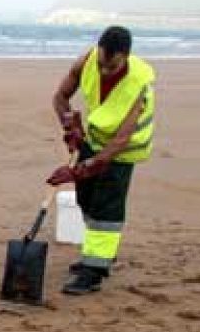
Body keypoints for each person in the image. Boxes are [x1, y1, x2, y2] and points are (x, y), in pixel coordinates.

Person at [48, 26, 156, 295]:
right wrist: (69, 124)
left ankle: (94, 270)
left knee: (105, 208)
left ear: (126, 56)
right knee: (85, 199)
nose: (104, 71)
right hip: (94, 139)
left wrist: (81, 169)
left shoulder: (138, 84)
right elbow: (60, 97)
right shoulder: (87, 61)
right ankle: (99, 256)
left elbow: (121, 140)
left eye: (112, 66)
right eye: (101, 64)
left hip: (122, 150)